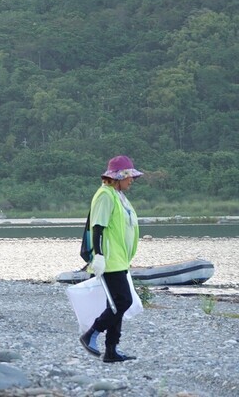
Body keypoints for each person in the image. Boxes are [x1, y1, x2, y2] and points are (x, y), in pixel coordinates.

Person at [79, 155, 142, 363]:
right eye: (129, 176)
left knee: (116, 304)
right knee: (123, 301)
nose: (131, 180)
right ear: (118, 177)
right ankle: (91, 334)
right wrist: (98, 256)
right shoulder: (105, 195)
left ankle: (111, 350)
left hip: (119, 259)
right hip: (109, 260)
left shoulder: (118, 195)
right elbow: (97, 227)